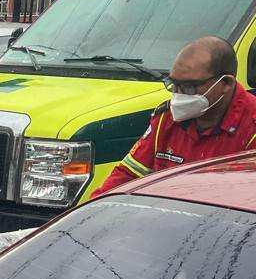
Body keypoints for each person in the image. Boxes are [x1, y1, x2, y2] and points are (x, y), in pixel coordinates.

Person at [93, 36, 256, 196]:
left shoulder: (251, 129)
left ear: (226, 84)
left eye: (189, 87)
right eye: (173, 84)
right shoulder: (166, 118)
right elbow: (127, 176)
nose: (178, 95)